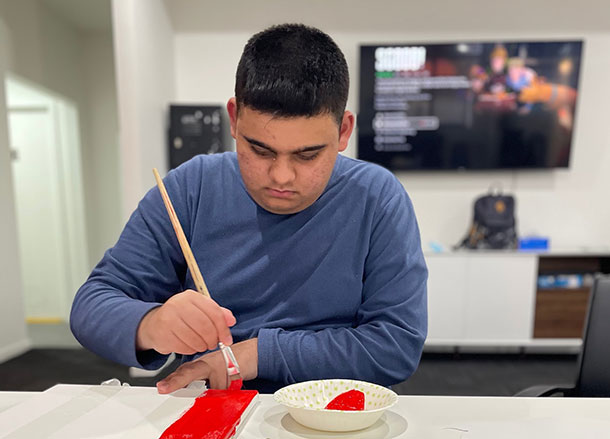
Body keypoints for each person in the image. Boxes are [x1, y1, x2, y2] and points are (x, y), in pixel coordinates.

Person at [70, 23, 428, 394]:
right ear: (234, 119)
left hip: (334, 411)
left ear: (343, 131)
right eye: (260, 150)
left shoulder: (377, 197)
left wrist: (253, 355)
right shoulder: (191, 188)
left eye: (308, 155)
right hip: (208, 406)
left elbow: (395, 346)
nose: (282, 176)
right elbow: (92, 305)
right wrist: (151, 324)